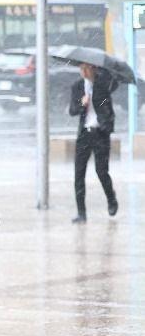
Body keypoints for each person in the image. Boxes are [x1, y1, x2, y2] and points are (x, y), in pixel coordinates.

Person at [69, 62, 118, 223]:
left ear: (94, 68)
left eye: (87, 68)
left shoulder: (103, 86)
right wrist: (81, 104)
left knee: (101, 171)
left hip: (100, 134)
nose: (83, 71)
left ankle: (111, 199)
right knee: (79, 173)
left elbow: (107, 107)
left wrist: (106, 126)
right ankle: (81, 213)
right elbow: (72, 111)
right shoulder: (77, 86)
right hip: (84, 134)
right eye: (81, 68)